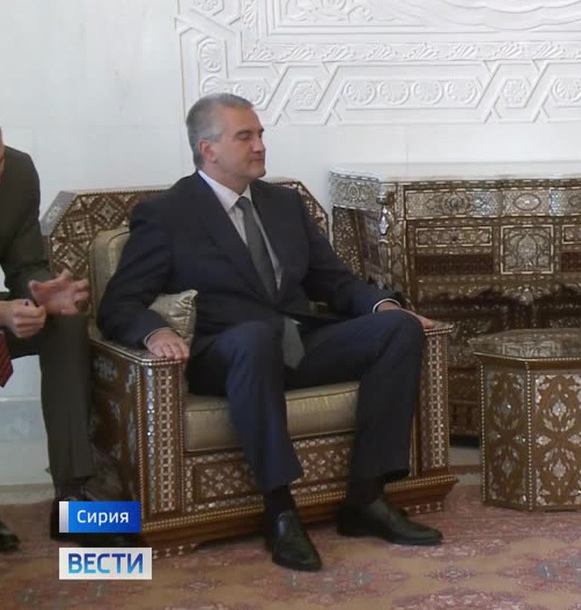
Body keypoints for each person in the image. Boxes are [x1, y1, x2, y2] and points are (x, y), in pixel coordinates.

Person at [97, 93, 442, 572]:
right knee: (254, 337)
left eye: (260, 134)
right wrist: (155, 333)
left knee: (398, 329)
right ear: (208, 149)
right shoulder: (167, 214)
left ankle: (366, 498)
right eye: (245, 136)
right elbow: (119, 303)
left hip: (295, 344)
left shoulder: (284, 204)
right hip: (225, 354)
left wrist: (384, 306)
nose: (260, 145)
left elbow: (333, 281)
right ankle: (280, 510)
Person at [0, 102, 136, 551]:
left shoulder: (19, 174)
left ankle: (75, 497)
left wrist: (40, 291)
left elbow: (25, 262)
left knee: (64, 323)